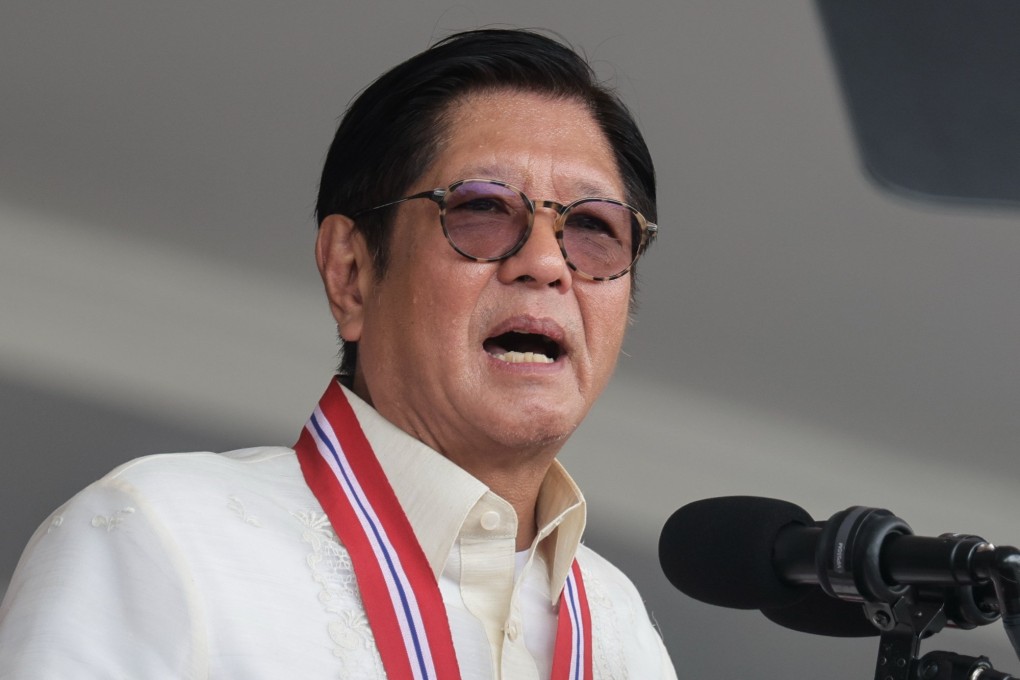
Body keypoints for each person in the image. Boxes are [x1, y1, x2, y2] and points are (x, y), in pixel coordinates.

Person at [0, 29, 676, 679]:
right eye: (482, 209)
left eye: (592, 227)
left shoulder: (623, 634)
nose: (547, 262)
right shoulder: (161, 537)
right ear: (350, 272)